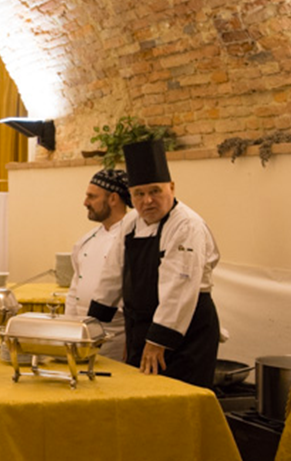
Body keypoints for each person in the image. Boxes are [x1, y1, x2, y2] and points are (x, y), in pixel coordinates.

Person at [88, 140, 221, 387]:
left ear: (172, 187)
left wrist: (158, 341)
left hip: (184, 330)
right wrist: (92, 323)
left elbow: (180, 286)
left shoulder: (186, 225)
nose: (147, 200)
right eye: (139, 194)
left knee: (178, 395)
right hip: (143, 326)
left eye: (155, 191)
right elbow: (112, 272)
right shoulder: (131, 223)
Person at [64, 169, 130, 360]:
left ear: (113, 199)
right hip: (79, 333)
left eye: (92, 197)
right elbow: (74, 289)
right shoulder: (85, 241)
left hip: (115, 336)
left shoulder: (131, 238)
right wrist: (67, 327)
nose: (85, 202)